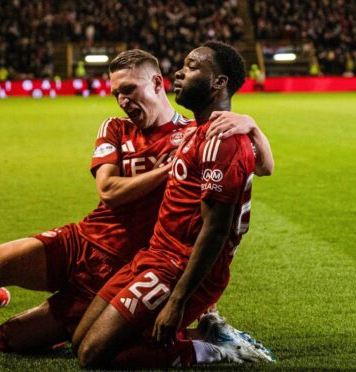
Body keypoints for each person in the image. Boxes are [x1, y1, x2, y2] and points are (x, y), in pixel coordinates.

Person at [0, 49, 274, 354]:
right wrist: (165, 172)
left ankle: (90, 326)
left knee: (6, 341)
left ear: (157, 83)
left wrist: (252, 124)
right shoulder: (115, 128)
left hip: (127, 268)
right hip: (84, 242)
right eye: (116, 93)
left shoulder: (195, 133)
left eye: (129, 90)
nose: (121, 100)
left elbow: (260, 167)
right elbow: (109, 192)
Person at [73, 42, 273, 369]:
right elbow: (266, 167)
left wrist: (177, 301)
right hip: (154, 255)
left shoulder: (222, 141)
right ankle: (203, 336)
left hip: (177, 267)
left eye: (192, 66)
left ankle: (219, 350)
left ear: (218, 83)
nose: (179, 72)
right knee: (80, 341)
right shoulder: (198, 129)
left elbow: (216, 230)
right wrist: (252, 124)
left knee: (94, 356)